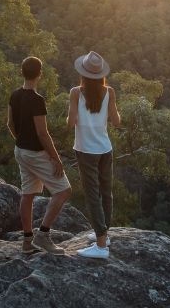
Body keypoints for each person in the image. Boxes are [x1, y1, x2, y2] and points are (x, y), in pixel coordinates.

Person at [7, 55, 72, 254]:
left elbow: (10, 124)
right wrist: (56, 158)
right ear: (40, 74)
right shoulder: (37, 101)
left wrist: (21, 140)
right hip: (35, 153)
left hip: (20, 150)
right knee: (63, 191)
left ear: (22, 72)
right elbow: (43, 134)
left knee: (27, 195)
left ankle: (27, 242)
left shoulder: (14, 95)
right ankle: (43, 235)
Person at [67, 50, 121, 259]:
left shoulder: (75, 92)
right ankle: (104, 235)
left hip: (85, 150)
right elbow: (116, 121)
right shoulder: (110, 92)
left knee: (92, 196)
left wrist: (76, 115)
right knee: (106, 193)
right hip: (105, 148)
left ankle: (101, 246)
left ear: (83, 74)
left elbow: (71, 122)